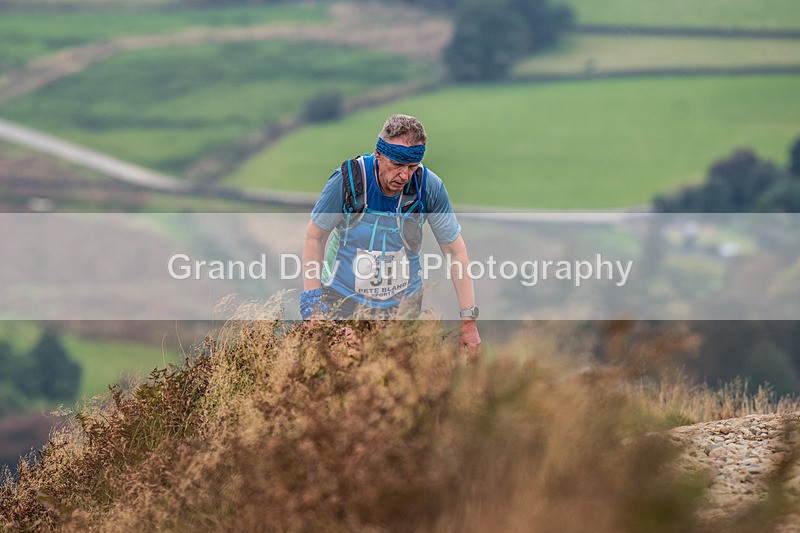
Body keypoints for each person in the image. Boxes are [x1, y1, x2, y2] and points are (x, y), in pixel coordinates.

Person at [300, 114, 481, 352]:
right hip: (342, 297)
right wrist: (313, 309)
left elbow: (454, 251)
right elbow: (315, 236)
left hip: (402, 305)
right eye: (397, 165)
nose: (404, 176)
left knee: (392, 382)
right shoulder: (349, 180)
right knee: (345, 371)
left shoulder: (428, 187)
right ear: (379, 155)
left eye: (411, 167)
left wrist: (468, 320)